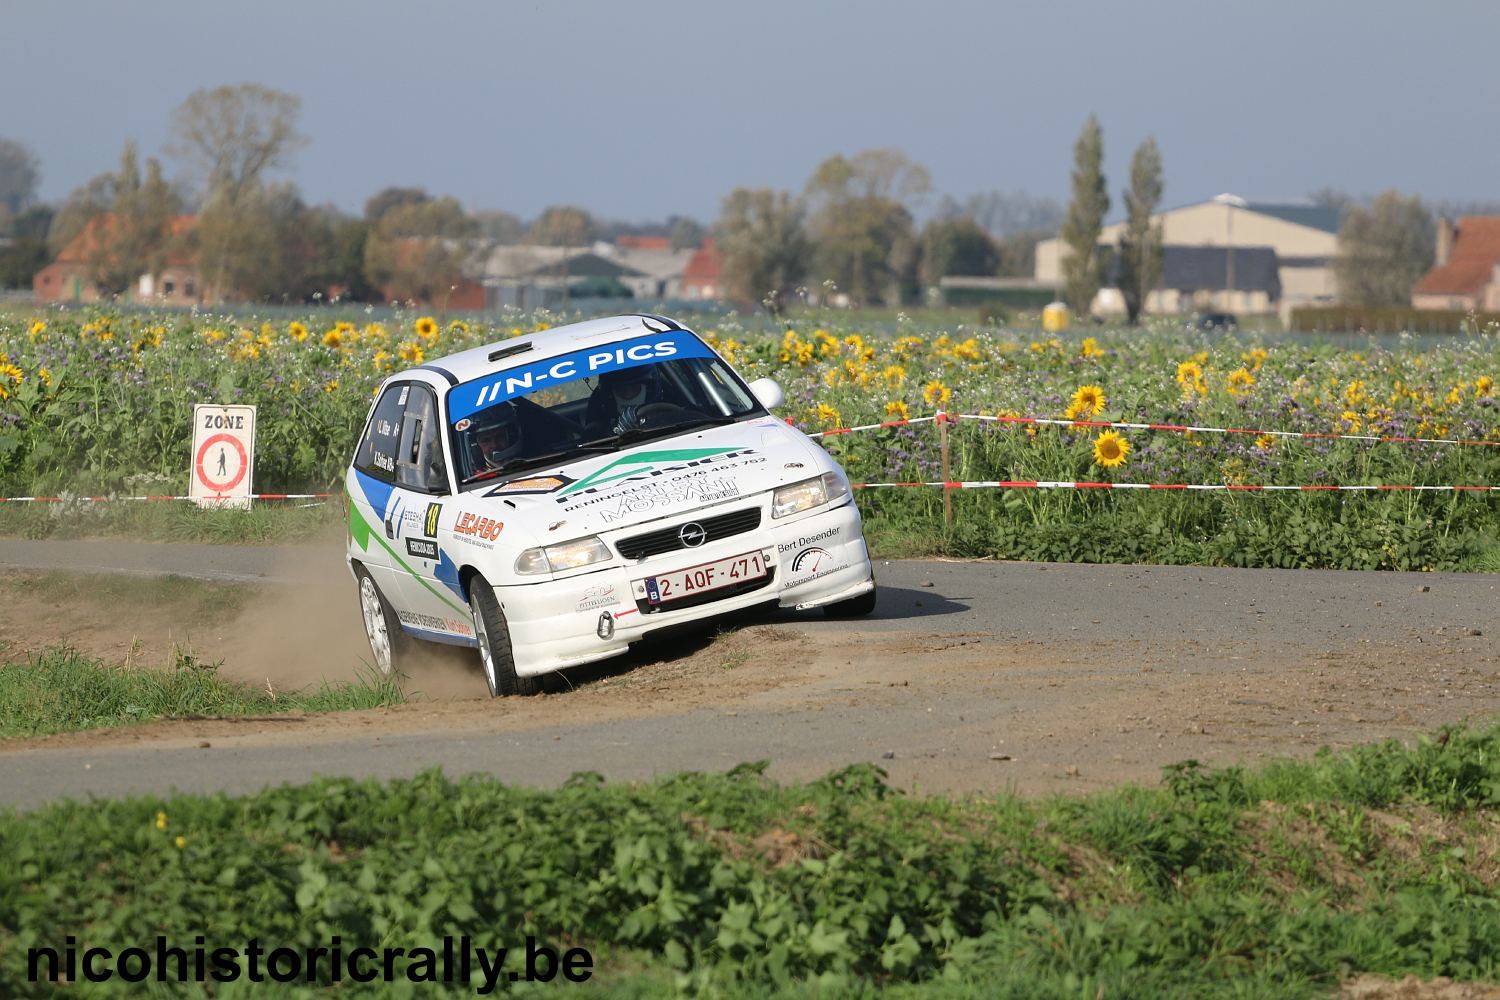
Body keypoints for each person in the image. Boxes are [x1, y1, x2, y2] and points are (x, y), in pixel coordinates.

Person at [588, 367, 658, 434]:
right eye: (621, 388)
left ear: (648, 390)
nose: (628, 394)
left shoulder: (666, 419)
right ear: (610, 395)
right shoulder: (599, 427)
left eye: (633, 387)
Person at [467, 403, 524, 471]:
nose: (494, 445)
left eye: (499, 436)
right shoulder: (473, 478)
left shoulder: (533, 462)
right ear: (476, 446)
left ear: (510, 436)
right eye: (486, 440)